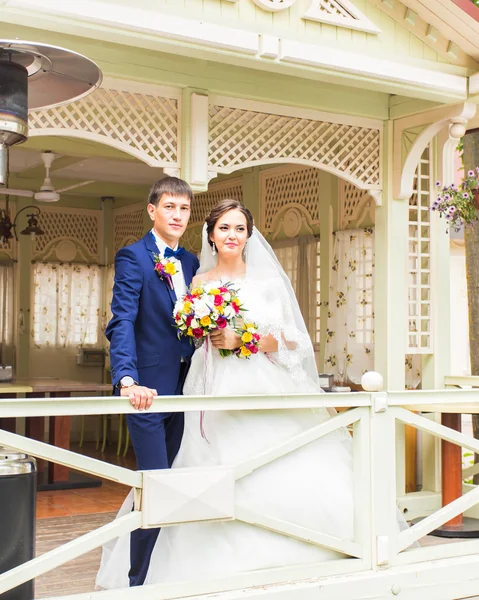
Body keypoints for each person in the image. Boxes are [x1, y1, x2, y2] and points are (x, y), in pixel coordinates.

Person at [97, 198, 358, 589]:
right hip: (205, 385)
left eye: (240, 228)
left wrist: (244, 339)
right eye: (224, 229)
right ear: (211, 235)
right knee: (200, 462)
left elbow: (294, 340)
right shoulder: (197, 281)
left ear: (249, 235)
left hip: (259, 385)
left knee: (270, 462)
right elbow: (174, 331)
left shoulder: (268, 283)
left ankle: (294, 548)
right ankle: (196, 564)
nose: (232, 235)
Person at [104, 176, 199, 587]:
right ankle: (137, 581)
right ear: (152, 210)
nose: (178, 216)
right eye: (170, 207)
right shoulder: (134, 257)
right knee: (156, 483)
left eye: (184, 209)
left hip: (191, 388)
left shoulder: (193, 262)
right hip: (148, 391)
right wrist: (127, 379)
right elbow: (121, 320)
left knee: (180, 483)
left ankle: (171, 574)